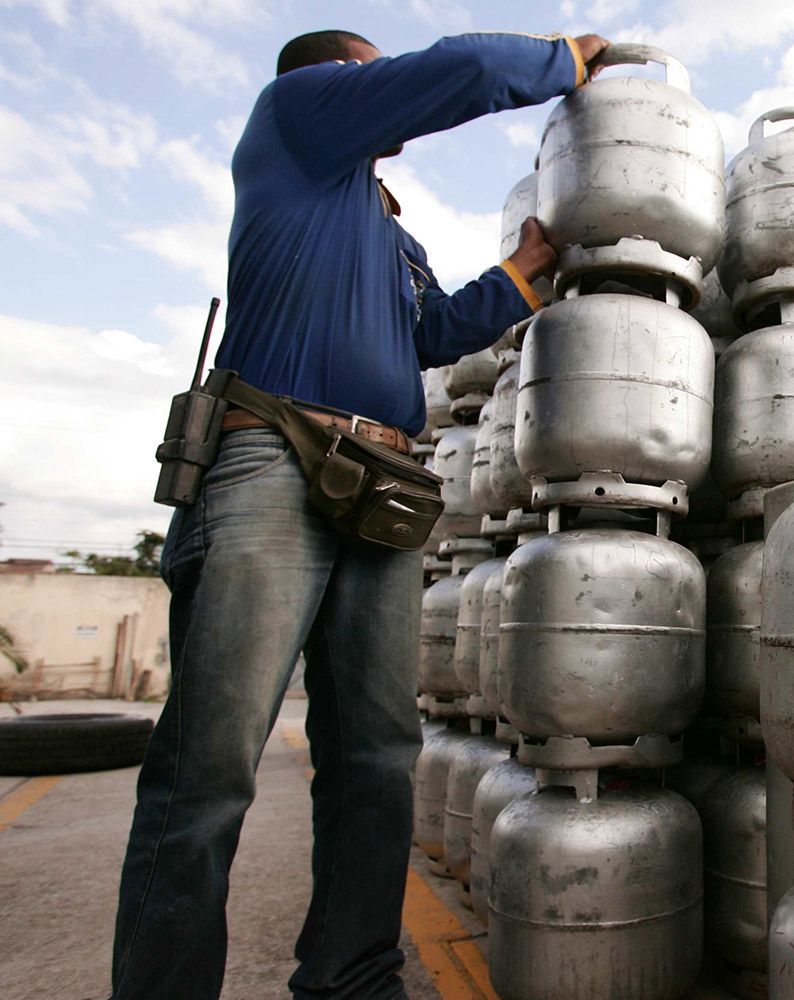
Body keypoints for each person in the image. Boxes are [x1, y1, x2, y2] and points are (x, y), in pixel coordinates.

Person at [110, 27, 610, 1000]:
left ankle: (353, 978)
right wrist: (565, 59)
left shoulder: (381, 227)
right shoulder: (294, 118)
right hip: (272, 457)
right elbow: (446, 74)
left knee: (378, 756)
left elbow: (429, 334)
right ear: (334, 77)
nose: (376, 91)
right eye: (364, 71)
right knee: (210, 766)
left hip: (378, 483)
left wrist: (517, 275)